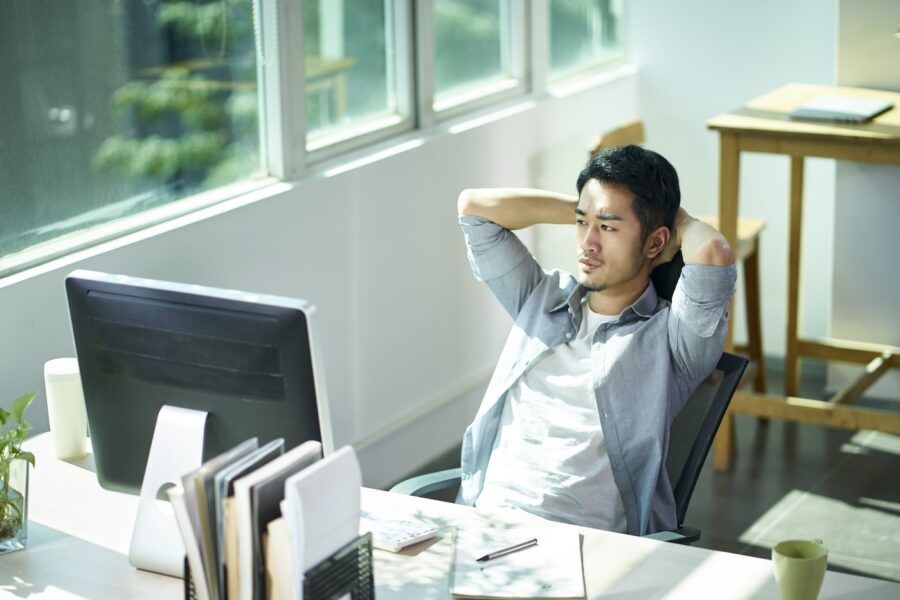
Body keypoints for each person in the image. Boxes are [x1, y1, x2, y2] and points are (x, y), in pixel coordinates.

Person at [456, 144, 736, 535]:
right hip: (485, 524)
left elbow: (713, 251)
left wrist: (676, 222)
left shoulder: (671, 344)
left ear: (656, 243)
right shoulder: (540, 298)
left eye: (607, 228)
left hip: (582, 546)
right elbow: (474, 208)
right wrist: (592, 210)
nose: (587, 243)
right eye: (580, 224)